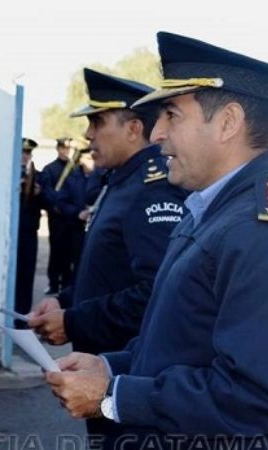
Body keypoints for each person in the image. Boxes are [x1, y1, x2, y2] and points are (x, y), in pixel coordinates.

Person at [46, 32, 268, 450]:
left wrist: (114, 396)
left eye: (171, 115)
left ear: (227, 122)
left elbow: (252, 399)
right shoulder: (217, 211)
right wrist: (109, 368)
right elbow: (179, 342)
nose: (156, 134)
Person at [29, 69, 187, 357]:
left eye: (97, 122)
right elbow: (107, 273)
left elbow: (156, 292)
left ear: (134, 129)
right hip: (100, 364)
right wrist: (64, 302)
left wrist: (74, 322)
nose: (88, 134)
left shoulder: (151, 189)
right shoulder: (120, 181)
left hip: (124, 369)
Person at [39, 138, 84, 295]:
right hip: (57, 218)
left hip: (70, 218)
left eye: (68, 149)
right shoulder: (49, 169)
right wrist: (56, 206)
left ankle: (66, 284)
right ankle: (53, 283)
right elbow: (47, 192)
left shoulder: (76, 169)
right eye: (63, 149)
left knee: (70, 252)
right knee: (56, 250)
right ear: (58, 149)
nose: (66, 152)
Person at [14, 137, 44, 324]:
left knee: (26, 277)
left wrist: (40, 193)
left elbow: (51, 200)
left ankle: (22, 318)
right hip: (12, 235)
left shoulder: (37, 176)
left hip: (29, 233)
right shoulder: (8, 175)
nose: (25, 156)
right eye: (23, 152)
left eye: (28, 153)